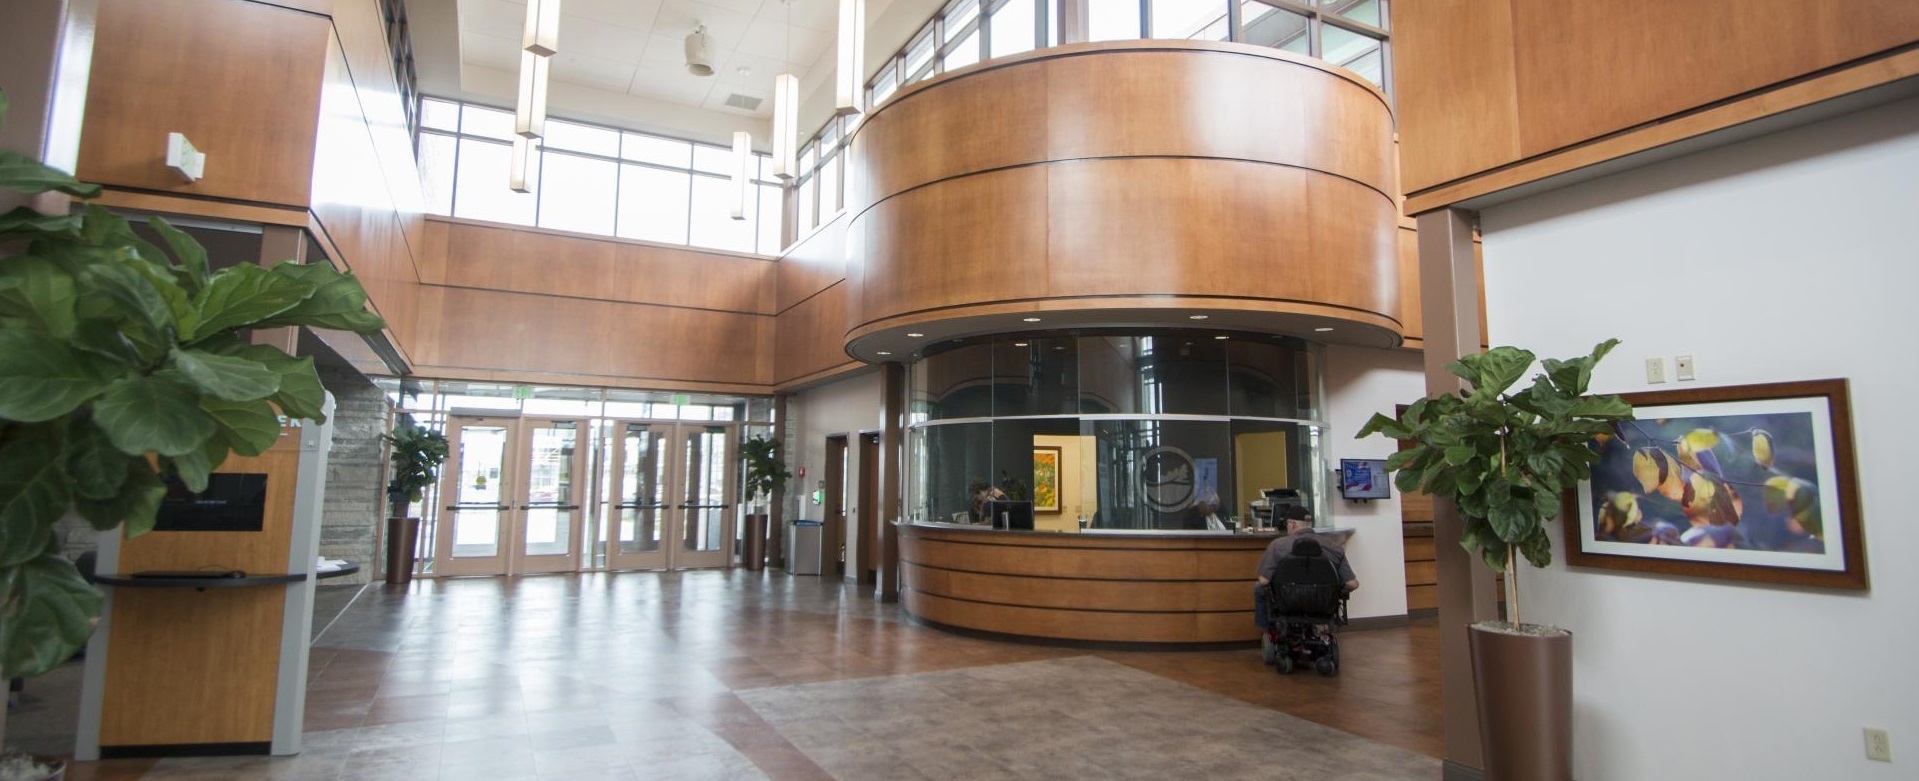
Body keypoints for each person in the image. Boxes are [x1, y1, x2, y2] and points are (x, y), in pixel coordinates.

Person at [1253, 505, 1358, 631]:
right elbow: (1352, 584)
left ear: (1292, 524)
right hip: (1321, 604)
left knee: (1259, 587)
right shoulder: (1334, 547)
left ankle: (1269, 630)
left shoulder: (1278, 546)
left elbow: (1264, 580)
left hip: (1288, 602)